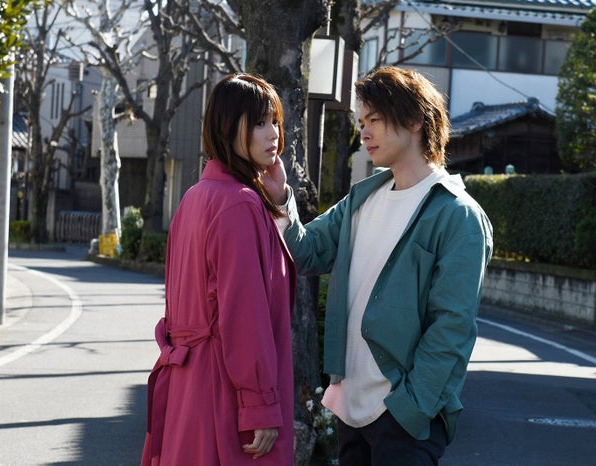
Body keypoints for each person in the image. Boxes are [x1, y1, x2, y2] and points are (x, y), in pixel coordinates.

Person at [263, 66, 493, 465]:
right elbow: (307, 251)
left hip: (404, 418)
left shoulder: (457, 215)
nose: (365, 133)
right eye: (361, 123)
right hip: (352, 411)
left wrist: (412, 407)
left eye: (375, 120)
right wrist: (280, 197)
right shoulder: (362, 198)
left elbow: (452, 327)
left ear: (415, 120)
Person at [140, 73, 295, 466]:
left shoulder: (195, 197)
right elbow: (244, 316)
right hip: (224, 394)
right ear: (227, 127)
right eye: (258, 123)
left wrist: (275, 199)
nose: (273, 134)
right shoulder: (239, 204)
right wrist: (259, 405)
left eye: (275, 121)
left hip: (188, 389)